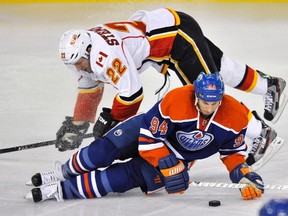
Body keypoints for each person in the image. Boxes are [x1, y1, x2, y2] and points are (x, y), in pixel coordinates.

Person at [56, 8, 285, 168]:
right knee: (221, 68)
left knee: (207, 96)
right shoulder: (84, 54)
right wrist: (77, 124)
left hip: (177, 38)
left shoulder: (103, 56)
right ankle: (270, 86)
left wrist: (113, 118)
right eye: (72, 64)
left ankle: (260, 132)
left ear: (88, 51)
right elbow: (89, 87)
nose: (78, 68)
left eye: (79, 62)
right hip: (172, 26)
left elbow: (132, 94)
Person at [26, 72, 265, 203]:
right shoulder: (176, 100)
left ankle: (61, 191)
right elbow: (149, 140)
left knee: (119, 179)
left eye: (215, 103)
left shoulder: (236, 116)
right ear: (196, 95)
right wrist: (167, 166)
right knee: (101, 152)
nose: (210, 107)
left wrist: (244, 176)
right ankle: (62, 173)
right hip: (148, 132)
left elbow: (232, 153)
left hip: (178, 156)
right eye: (205, 102)